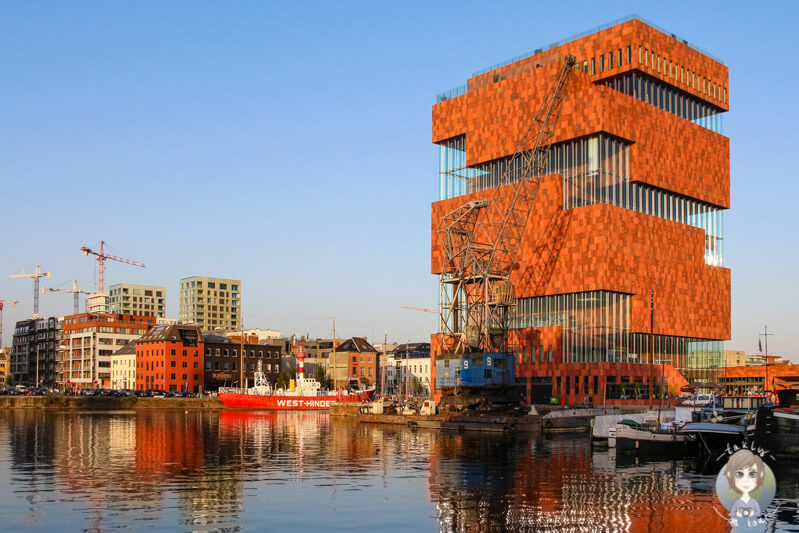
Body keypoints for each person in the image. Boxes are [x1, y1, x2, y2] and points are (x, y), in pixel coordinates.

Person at [724, 449, 765, 519]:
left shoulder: (754, 502)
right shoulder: (737, 502)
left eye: (752, 474)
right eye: (739, 474)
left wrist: (752, 513)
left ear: (760, 475)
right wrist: (737, 514)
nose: (746, 480)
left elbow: (758, 513)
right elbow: (732, 514)